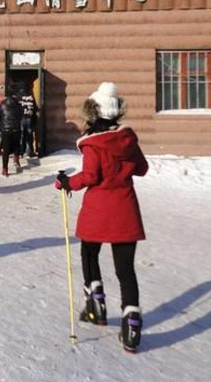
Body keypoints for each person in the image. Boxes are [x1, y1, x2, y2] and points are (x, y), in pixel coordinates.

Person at [54, 82, 149, 353]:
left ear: (93, 112)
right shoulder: (128, 139)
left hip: (98, 209)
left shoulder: (92, 144)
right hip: (125, 210)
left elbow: (90, 176)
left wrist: (65, 183)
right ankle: (131, 325)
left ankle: (96, 305)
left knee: (89, 254)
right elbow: (142, 168)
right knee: (125, 271)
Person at [0, 85, 24, 176]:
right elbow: (21, 115)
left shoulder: (2, 103)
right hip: (16, 128)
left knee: (6, 150)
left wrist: (3, 122)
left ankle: (5, 169)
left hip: (5, 129)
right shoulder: (18, 104)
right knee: (16, 145)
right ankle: (16, 159)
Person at [19, 86, 38, 157]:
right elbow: (35, 108)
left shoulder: (19, 97)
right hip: (29, 118)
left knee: (21, 136)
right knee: (29, 136)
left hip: (21, 118)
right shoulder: (31, 97)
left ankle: (21, 152)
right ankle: (29, 152)